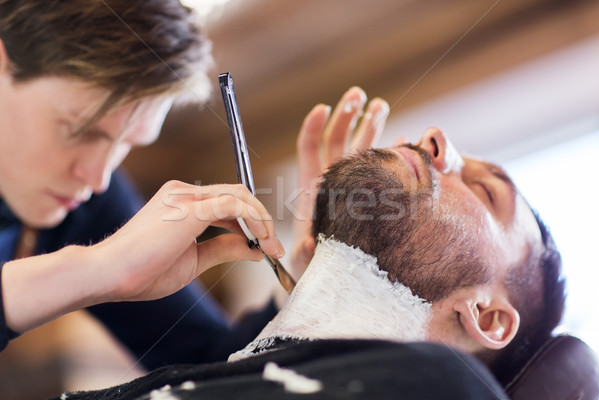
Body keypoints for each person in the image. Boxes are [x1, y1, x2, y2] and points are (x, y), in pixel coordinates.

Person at [51, 92, 566, 400]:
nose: (435, 138)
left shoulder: (443, 385)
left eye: (486, 190)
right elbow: (213, 357)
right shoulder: (234, 368)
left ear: (488, 316)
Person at [0, 0, 295, 370]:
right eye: (79, 130)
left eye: (127, 143)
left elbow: (209, 362)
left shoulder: (88, 202)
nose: (97, 178)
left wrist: (310, 272)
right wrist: (95, 269)